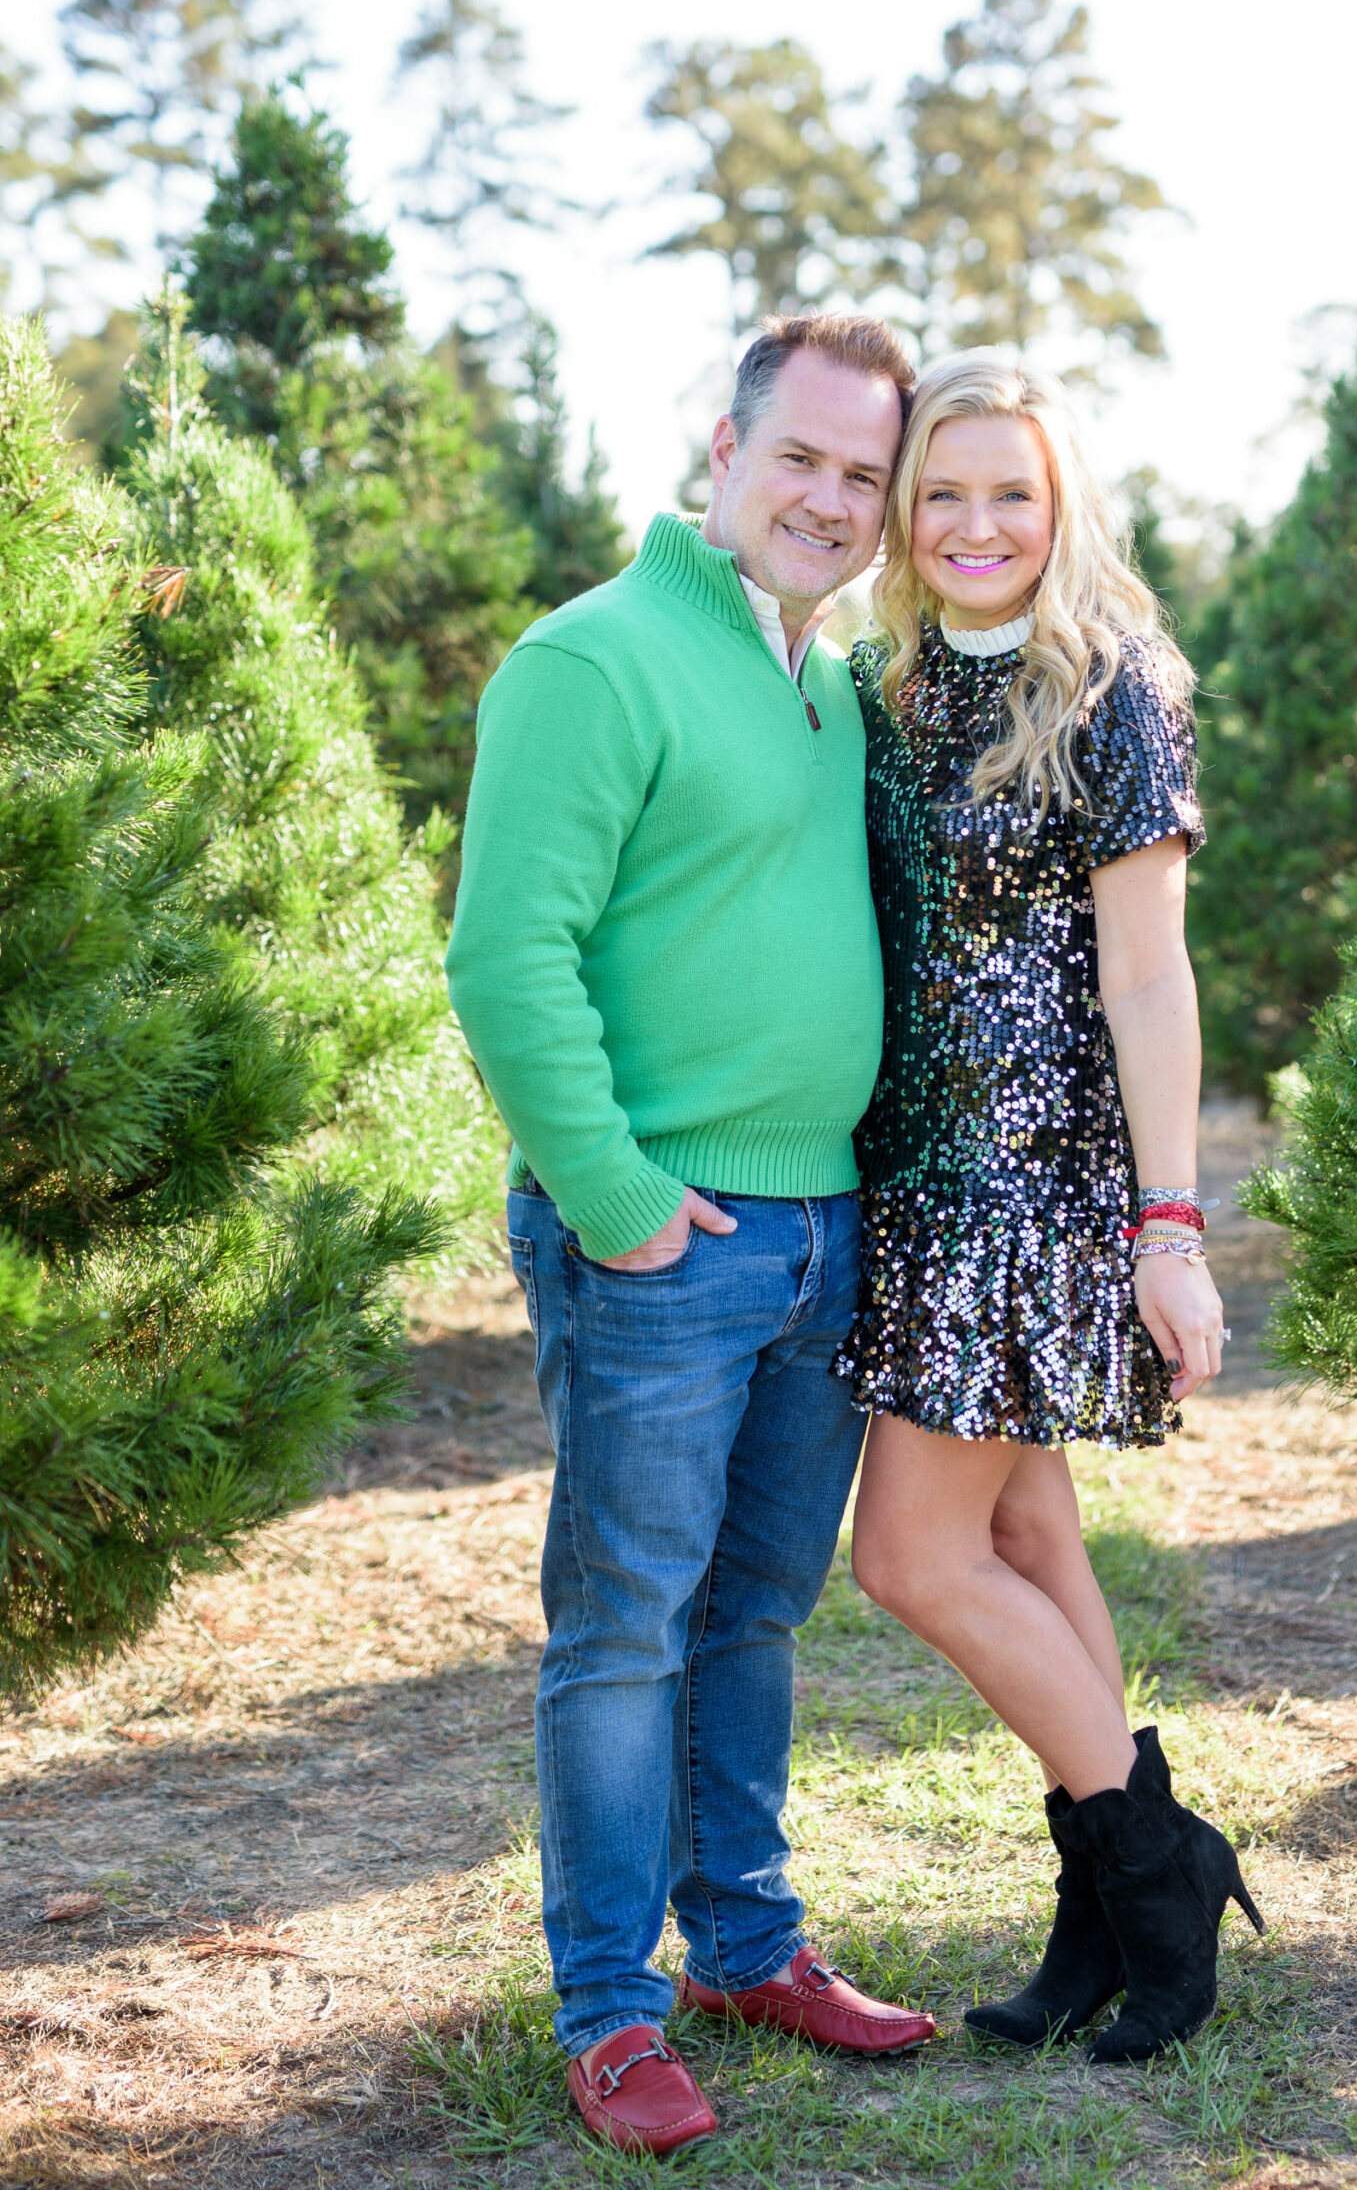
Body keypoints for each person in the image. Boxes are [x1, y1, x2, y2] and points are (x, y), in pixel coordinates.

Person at [445, 314, 938, 2158]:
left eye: (860, 476)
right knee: (626, 1628)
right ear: (718, 451)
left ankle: (745, 1942)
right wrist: (621, 1201)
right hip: (668, 1235)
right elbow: (506, 957)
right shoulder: (595, 659)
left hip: (823, 1223)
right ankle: (610, 2011)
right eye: (797, 457)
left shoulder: (825, 681)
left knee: (753, 1610)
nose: (827, 498)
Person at [839, 352, 1264, 2065]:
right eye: (941, 490)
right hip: (910, 1163)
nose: (974, 523)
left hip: (1035, 1180)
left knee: (908, 1558)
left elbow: (1150, 977)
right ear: (899, 511)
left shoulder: (1112, 686)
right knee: (1025, 1538)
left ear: (1062, 505)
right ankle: (1107, 1913)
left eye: (1010, 490)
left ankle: (1154, 1870)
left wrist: (1171, 1226)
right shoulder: (895, 682)